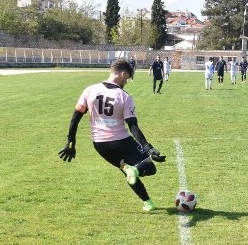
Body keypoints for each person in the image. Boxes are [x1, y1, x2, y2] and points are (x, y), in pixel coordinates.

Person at [57, 59, 166, 212]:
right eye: (127, 78)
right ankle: (138, 181)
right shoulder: (124, 96)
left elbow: (75, 118)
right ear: (122, 73)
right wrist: (148, 148)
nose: (126, 82)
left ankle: (148, 202)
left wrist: (71, 142)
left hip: (100, 145)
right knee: (148, 168)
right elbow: (133, 126)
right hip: (121, 141)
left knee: (127, 170)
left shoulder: (90, 90)